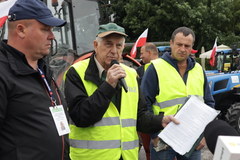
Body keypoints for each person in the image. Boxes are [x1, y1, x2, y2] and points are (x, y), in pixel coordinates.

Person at [64, 22, 179, 160]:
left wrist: (160, 121)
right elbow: (80, 117)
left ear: (123, 47)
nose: (114, 50)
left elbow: (140, 117)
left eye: (118, 45)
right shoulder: (76, 72)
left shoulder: (131, 74)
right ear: (96, 45)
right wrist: (108, 85)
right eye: (108, 44)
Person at [0, 0, 70, 160]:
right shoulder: (3, 72)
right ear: (21, 30)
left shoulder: (43, 70)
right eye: (45, 29)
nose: (52, 36)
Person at [141, 27, 215, 160]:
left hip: (192, 138)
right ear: (171, 43)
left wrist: (204, 134)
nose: (182, 49)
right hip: (163, 137)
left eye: (187, 46)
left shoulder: (198, 70)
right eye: (179, 44)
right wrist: (154, 134)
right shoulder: (155, 68)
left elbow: (209, 103)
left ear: (192, 47)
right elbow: (143, 104)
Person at [136, 42, 159, 160]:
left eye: (142, 53)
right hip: (146, 118)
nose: (140, 56)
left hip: (162, 121)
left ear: (149, 53)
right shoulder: (139, 71)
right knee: (148, 150)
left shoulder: (166, 68)